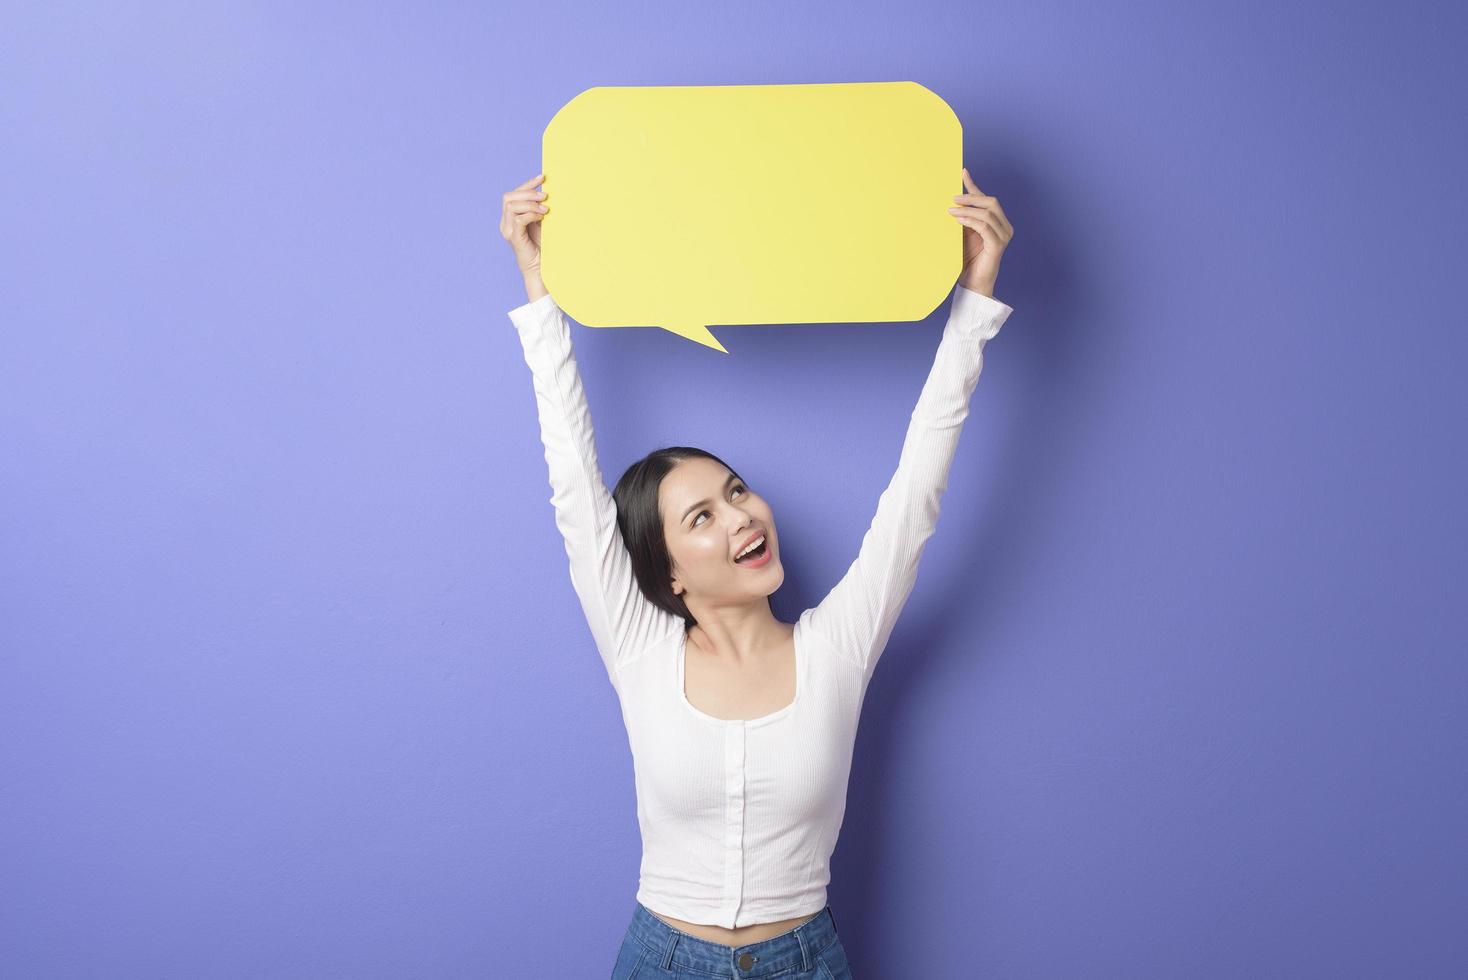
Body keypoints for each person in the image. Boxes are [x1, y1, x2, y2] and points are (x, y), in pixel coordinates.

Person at [500, 167, 1013, 979]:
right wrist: (537, 288)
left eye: (736, 491)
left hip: (806, 960)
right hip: (662, 959)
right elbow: (572, 478)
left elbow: (918, 489)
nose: (741, 517)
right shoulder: (639, 649)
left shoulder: (836, 647)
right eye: (701, 517)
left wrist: (974, 305)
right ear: (669, 575)